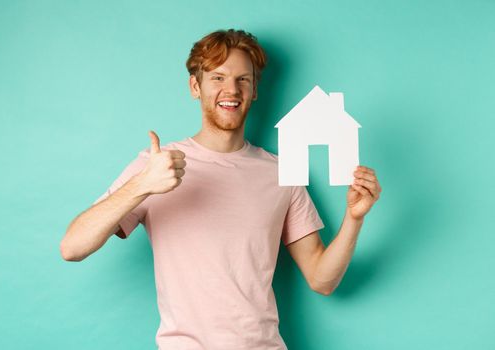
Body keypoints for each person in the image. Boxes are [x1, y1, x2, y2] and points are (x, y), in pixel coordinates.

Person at [60, 28, 382, 350]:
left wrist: (354, 218)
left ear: (255, 90)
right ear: (194, 86)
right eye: (218, 77)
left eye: (243, 79)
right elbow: (72, 247)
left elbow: (321, 279)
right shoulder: (156, 166)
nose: (232, 89)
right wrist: (142, 185)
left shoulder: (282, 172)